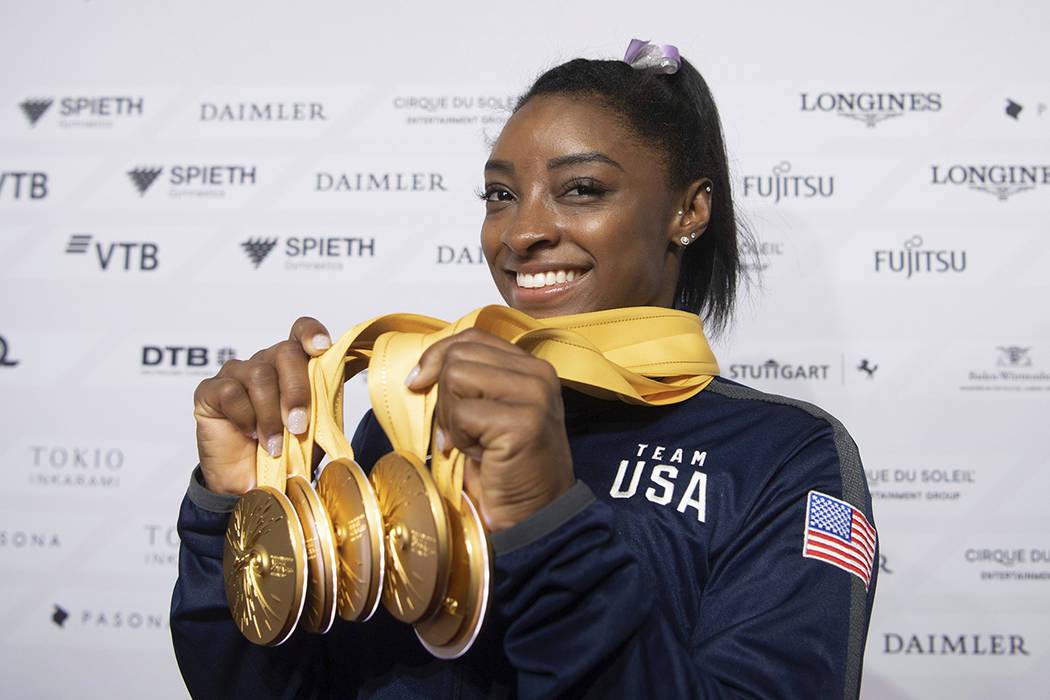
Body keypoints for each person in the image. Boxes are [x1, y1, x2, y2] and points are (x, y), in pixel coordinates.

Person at [172, 40, 877, 699]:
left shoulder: (783, 455)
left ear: (687, 212)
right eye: (501, 195)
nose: (520, 233)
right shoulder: (407, 419)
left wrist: (547, 519)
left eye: (581, 190)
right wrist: (236, 515)